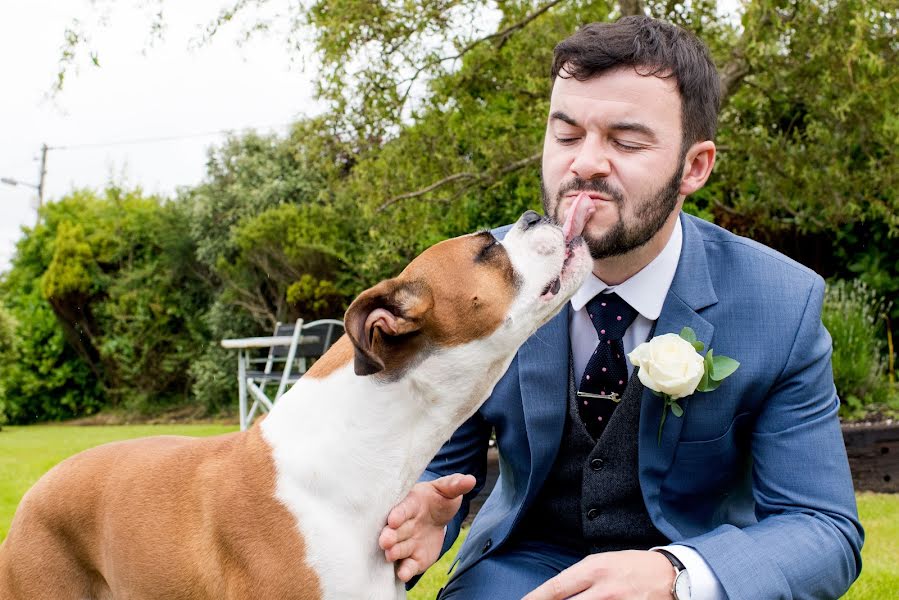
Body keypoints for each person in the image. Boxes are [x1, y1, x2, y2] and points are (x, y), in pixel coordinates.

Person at [378, 15, 863, 600]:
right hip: (517, 577)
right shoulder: (478, 286)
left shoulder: (781, 304)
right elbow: (438, 463)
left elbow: (824, 527)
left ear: (695, 166)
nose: (585, 163)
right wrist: (429, 510)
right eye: (566, 135)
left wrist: (679, 574)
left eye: (626, 141)